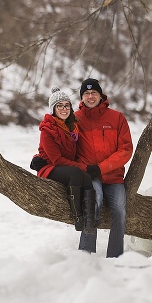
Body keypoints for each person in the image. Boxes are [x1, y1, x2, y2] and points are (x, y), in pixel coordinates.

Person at [75, 78, 133, 258]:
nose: (90, 96)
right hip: (89, 176)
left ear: (101, 95)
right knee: (93, 201)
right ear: (82, 97)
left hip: (114, 177)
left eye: (94, 93)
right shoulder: (75, 119)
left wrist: (101, 168)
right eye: (86, 93)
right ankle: (85, 253)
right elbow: (65, 148)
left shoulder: (116, 118)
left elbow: (125, 149)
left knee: (119, 210)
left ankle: (115, 257)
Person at [32, 87, 97, 234]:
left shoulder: (72, 127)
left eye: (66, 105)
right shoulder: (47, 130)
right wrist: (84, 167)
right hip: (50, 168)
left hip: (65, 167)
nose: (64, 109)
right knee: (77, 173)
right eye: (59, 106)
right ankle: (78, 218)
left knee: (86, 178)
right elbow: (57, 160)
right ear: (53, 109)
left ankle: (90, 220)